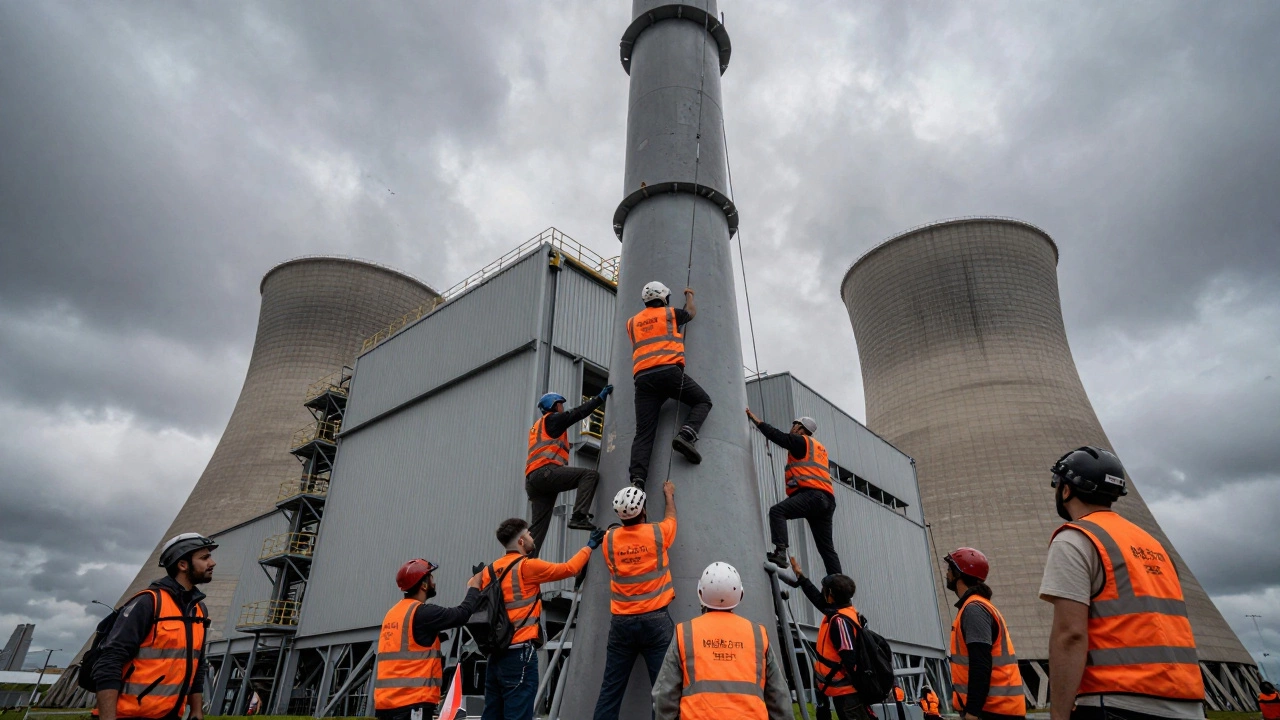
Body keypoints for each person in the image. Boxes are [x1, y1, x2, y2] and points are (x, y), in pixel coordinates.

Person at [1040, 446, 1206, 720]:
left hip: (1118, 700)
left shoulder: (1076, 539)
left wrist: (1059, 713)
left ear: (1067, 490)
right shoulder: (1152, 544)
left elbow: (1070, 634)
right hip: (1188, 702)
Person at [480, 518, 604, 720]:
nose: (532, 537)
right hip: (519, 653)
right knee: (518, 713)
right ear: (521, 541)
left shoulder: (489, 570)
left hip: (495, 655)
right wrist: (589, 546)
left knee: (492, 713)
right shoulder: (526, 567)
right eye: (528, 533)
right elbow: (568, 569)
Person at [93, 533, 217, 720]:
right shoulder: (148, 602)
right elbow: (110, 660)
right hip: (127, 715)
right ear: (182, 565)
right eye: (204, 558)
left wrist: (197, 710)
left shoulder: (199, 611)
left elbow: (197, 664)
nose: (212, 562)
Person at [652, 562, 792, 719]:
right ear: (740, 595)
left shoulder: (685, 633)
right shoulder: (757, 635)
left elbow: (664, 696)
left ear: (700, 592)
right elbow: (779, 698)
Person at [591, 482, 678, 719]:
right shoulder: (658, 533)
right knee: (662, 692)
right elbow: (671, 519)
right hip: (656, 620)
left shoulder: (608, 541)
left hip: (622, 623)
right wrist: (669, 496)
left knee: (610, 690)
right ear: (644, 512)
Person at [626, 281, 713, 488]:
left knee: (644, 433)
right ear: (664, 297)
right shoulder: (670, 314)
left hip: (643, 380)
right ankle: (686, 436)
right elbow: (690, 313)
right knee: (703, 401)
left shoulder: (631, 323)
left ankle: (637, 481)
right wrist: (689, 295)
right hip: (668, 372)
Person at [373, 558, 484, 720]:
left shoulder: (393, 614)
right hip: (412, 704)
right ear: (424, 585)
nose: (434, 581)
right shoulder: (423, 613)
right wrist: (474, 586)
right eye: (431, 577)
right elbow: (461, 614)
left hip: (387, 705)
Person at [746, 410, 841, 575]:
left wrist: (758, 422)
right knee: (826, 548)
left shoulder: (801, 441)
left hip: (812, 495)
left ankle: (781, 553)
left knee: (777, 511)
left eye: (794, 425)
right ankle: (839, 583)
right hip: (827, 500)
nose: (792, 428)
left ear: (801, 429)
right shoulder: (819, 449)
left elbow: (778, 437)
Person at [781, 557, 874, 720]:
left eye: (825, 589)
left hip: (847, 693)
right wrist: (801, 577)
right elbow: (818, 600)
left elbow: (850, 658)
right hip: (839, 690)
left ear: (830, 594)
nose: (823, 592)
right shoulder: (842, 612)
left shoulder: (840, 621)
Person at [525, 387, 613, 552]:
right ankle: (579, 516)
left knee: (537, 530)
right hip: (546, 473)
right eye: (560, 405)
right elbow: (577, 413)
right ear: (554, 405)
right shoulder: (552, 420)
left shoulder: (539, 427)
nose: (562, 408)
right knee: (589, 475)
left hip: (533, 481)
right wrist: (599, 399)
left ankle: (520, 565)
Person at [944, 546, 1026, 720]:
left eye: (949, 569)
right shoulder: (978, 606)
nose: (946, 574)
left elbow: (980, 663)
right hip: (997, 710)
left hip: (993, 711)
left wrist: (973, 711)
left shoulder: (974, 609)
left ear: (959, 573)